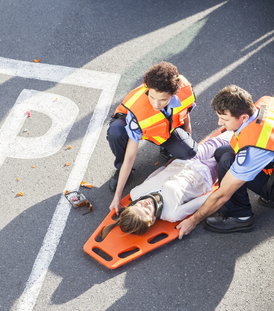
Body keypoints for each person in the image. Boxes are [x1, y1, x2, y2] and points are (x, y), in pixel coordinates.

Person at [176, 85, 274, 239]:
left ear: (243, 118)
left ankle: (241, 217)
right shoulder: (265, 103)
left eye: (225, 119)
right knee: (222, 152)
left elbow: (222, 195)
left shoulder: (254, 148)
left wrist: (193, 220)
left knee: (227, 162)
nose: (219, 123)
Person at [107, 61, 198, 214]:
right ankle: (121, 170)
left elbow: (185, 116)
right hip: (135, 126)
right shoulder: (138, 112)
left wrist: (187, 140)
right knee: (116, 132)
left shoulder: (186, 91)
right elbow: (130, 156)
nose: (156, 104)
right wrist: (117, 197)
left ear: (173, 94)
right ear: (147, 88)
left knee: (189, 152)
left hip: (163, 128)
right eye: (152, 97)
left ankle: (166, 148)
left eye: (163, 99)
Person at [101, 133, 231, 237]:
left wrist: (167, 165)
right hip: (205, 174)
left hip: (184, 161)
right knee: (229, 151)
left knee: (218, 142)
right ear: (152, 220)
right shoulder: (172, 214)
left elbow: (152, 177)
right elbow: (202, 201)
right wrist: (223, 190)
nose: (145, 203)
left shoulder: (136, 193)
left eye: (139, 204)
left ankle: (243, 126)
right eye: (146, 210)